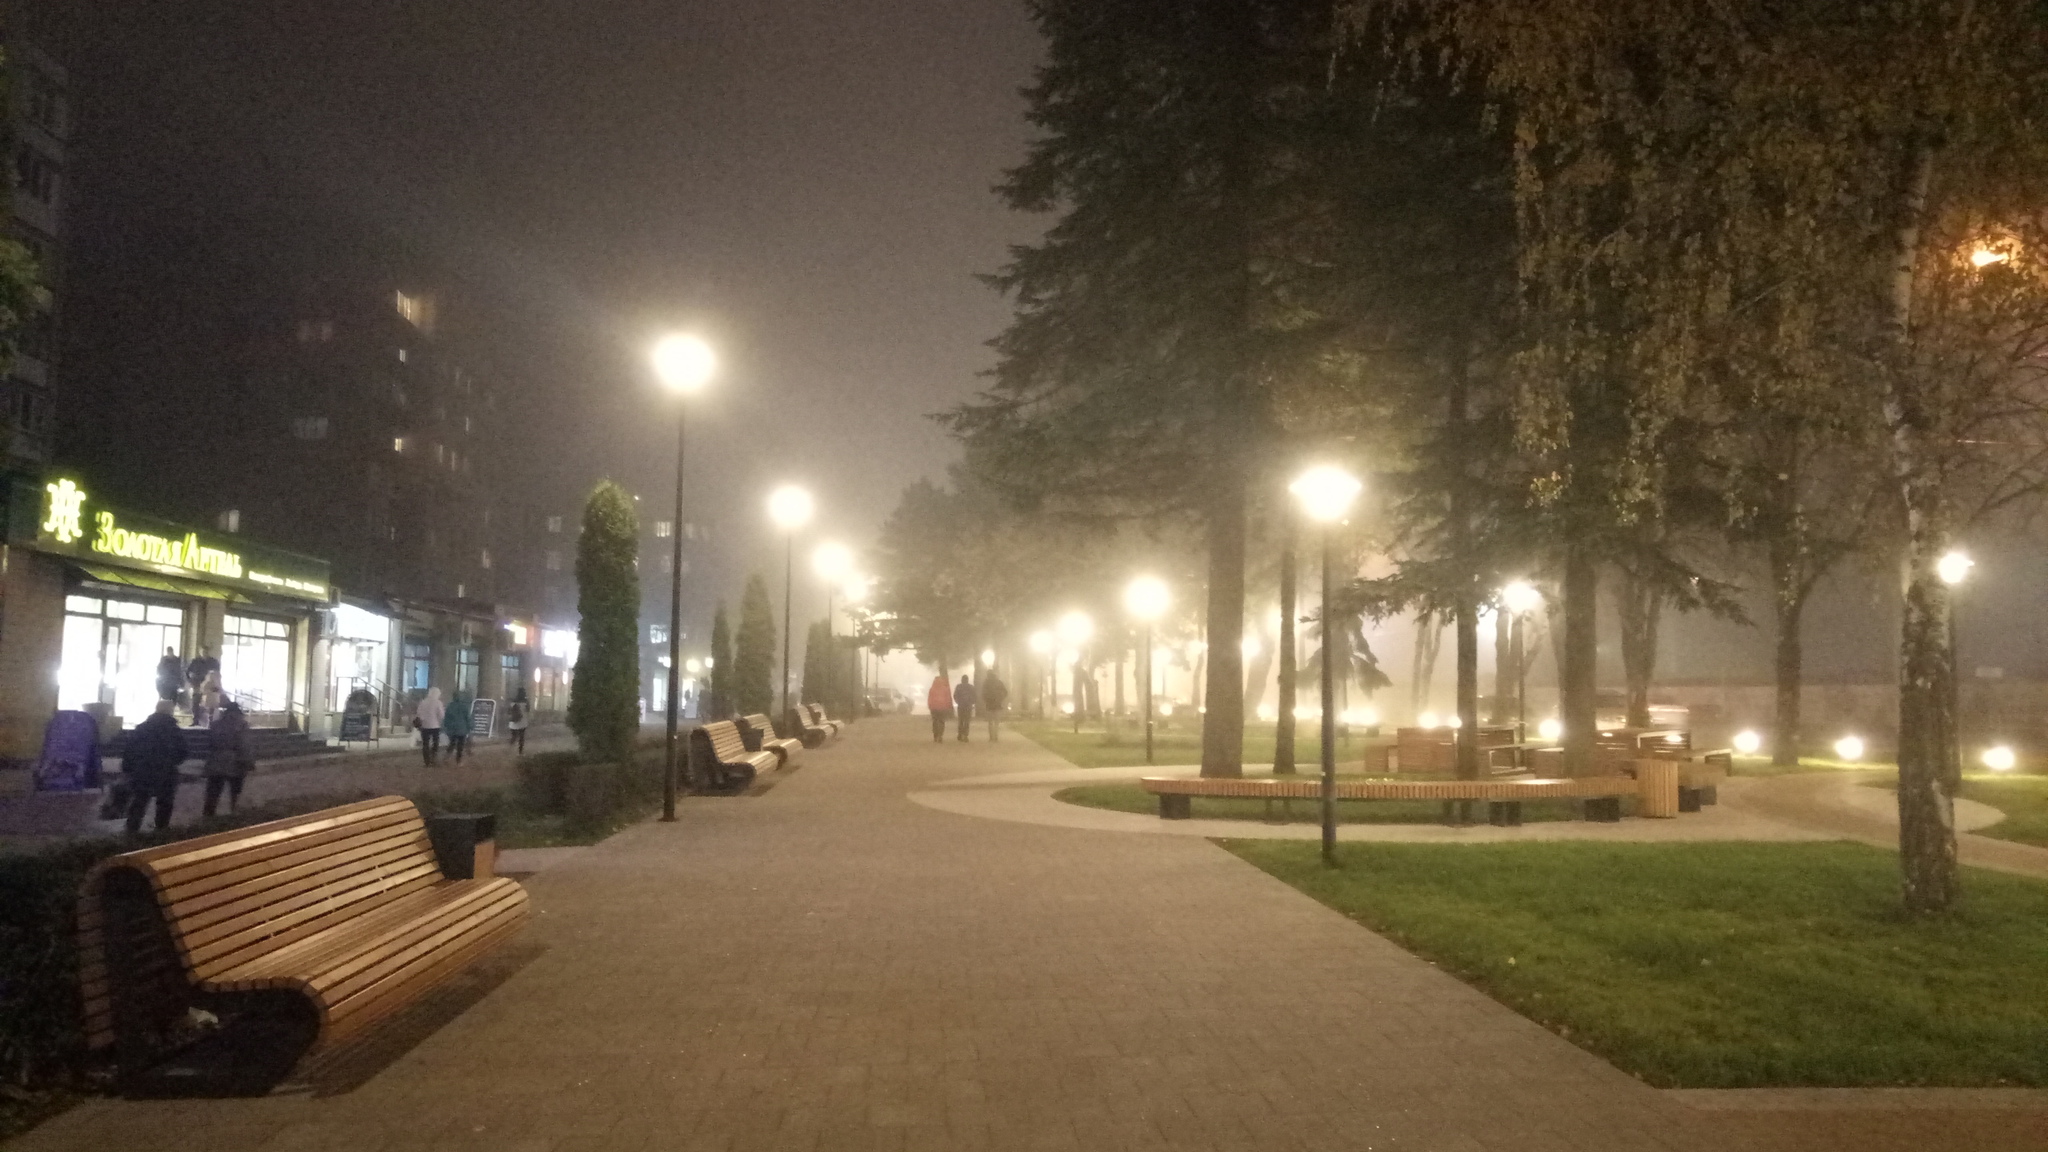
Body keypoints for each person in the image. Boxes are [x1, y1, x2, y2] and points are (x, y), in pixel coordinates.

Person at [123, 700, 189, 834]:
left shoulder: (143, 728)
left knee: (139, 801)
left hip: (143, 769)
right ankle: (161, 830)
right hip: (166, 771)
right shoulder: (174, 730)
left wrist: (128, 768)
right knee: (165, 803)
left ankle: (131, 831)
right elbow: (183, 752)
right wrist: (172, 761)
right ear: (170, 711)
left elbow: (130, 750)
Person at [202, 701, 254, 817]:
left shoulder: (216, 725)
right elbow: (244, 744)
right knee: (235, 792)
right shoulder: (242, 725)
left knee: (213, 792)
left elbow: (210, 743)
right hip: (235, 761)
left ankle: (208, 816)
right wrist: (248, 762)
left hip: (216, 760)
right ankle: (233, 814)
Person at [415, 687, 445, 766]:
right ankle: (434, 758)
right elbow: (441, 715)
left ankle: (426, 761)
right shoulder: (438, 702)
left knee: (425, 744)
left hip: (425, 726)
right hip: (435, 725)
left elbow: (419, 713)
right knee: (435, 743)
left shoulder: (423, 702)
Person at [185, 648, 219, 712]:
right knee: (196, 702)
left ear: (208, 652)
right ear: (200, 652)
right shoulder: (195, 661)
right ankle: (196, 719)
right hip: (197, 684)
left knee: (209, 703)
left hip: (209, 686)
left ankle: (210, 719)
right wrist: (190, 681)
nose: (204, 653)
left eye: (205, 651)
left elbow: (217, 674)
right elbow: (188, 672)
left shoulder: (213, 662)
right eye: (202, 652)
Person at [444, 693, 473, 763]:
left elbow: (446, 718)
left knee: (452, 743)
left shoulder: (450, 706)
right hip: (462, 728)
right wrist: (470, 726)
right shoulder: (464, 707)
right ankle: (458, 760)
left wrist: (446, 726)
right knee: (460, 745)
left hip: (452, 728)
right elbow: (468, 718)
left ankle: (447, 757)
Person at [926, 674, 953, 743]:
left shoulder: (932, 689)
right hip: (942, 707)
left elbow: (930, 698)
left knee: (935, 721)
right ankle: (940, 735)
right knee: (941, 721)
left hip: (934, 707)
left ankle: (935, 735)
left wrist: (929, 705)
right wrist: (948, 706)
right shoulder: (945, 689)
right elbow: (947, 698)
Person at [981, 672, 1008, 742]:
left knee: (990, 722)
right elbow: (1005, 692)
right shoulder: (999, 682)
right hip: (997, 704)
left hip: (989, 705)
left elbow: (983, 693)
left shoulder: (986, 683)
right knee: (996, 722)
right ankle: (996, 736)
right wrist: (1001, 698)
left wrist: (986, 700)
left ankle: (991, 737)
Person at [953, 674, 978, 743]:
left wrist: (958, 701)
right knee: (967, 721)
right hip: (968, 706)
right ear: (967, 680)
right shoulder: (971, 687)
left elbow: (955, 695)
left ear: (962, 680)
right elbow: (975, 696)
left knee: (961, 720)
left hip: (961, 706)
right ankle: (966, 735)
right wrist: (972, 702)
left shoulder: (958, 687)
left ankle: (960, 734)